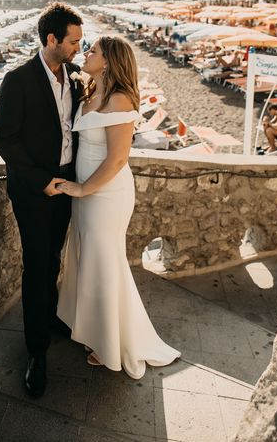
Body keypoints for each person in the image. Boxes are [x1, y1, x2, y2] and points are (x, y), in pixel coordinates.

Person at [56, 36, 180, 379]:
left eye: (92, 50)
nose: (86, 52)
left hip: (107, 193)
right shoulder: (89, 91)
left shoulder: (120, 99)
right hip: (86, 194)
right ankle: (91, 328)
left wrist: (82, 188)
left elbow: (117, 158)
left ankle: (108, 342)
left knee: (103, 262)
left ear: (109, 60)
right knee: (87, 259)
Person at [0, 2, 84, 398]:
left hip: (67, 185)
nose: (79, 48)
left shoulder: (78, 78)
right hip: (33, 189)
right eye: (73, 42)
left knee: (53, 259)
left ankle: (48, 318)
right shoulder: (18, 79)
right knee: (35, 264)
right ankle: (36, 352)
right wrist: (41, 181)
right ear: (51, 39)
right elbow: (5, 140)